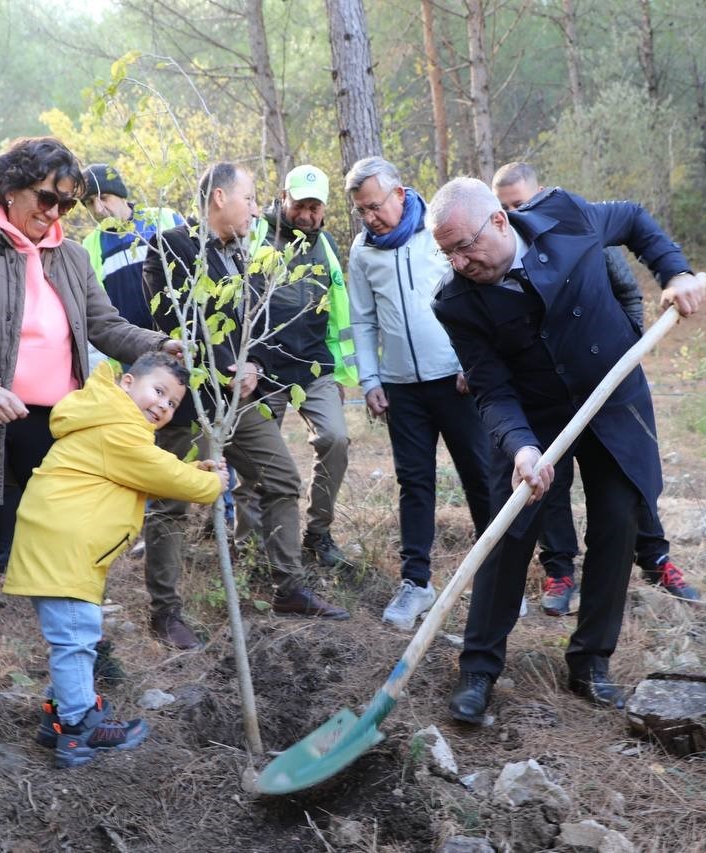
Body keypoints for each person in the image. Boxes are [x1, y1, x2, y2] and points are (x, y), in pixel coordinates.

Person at [427, 177, 706, 723]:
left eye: (465, 246)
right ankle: (479, 669)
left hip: (611, 396)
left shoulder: (565, 216)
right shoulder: (456, 303)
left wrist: (674, 270)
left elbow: (631, 217)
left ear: (500, 222)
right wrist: (523, 449)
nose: (459, 262)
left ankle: (590, 663)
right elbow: (490, 388)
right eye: (447, 253)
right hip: (532, 418)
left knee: (619, 521)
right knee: (508, 533)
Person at [0, 136, 174, 697]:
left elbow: (106, 327)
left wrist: (160, 344)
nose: (55, 213)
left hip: (57, 425)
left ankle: (86, 645)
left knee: (70, 537)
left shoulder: (71, 258)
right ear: (9, 189)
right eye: (46, 198)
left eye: (67, 204)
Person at [140, 161, 349, 651]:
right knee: (170, 504)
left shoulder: (248, 253)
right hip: (188, 399)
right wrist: (227, 365)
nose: (257, 210)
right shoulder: (173, 246)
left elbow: (253, 320)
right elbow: (177, 326)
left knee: (280, 477)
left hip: (236, 400)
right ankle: (165, 613)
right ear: (219, 199)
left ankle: (289, 587)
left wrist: (252, 362)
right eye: (250, 199)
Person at [491, 162, 701, 611]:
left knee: (628, 476)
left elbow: (625, 291)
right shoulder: (505, 262)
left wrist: (625, 348)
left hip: (608, 381)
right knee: (551, 479)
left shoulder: (578, 231)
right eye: (507, 208)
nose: (517, 214)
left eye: (523, 202)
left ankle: (654, 555)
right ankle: (560, 572)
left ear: (542, 193)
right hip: (550, 393)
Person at [3, 353, 227, 768]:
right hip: (66, 551)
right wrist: (210, 483)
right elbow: (161, 474)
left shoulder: (110, 420)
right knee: (75, 639)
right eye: (158, 391)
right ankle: (78, 729)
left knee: (72, 639)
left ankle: (59, 715)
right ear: (127, 383)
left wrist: (194, 467)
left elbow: (148, 470)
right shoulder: (118, 427)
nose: (163, 405)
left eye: (173, 403)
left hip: (61, 546)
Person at [344, 156, 493, 631]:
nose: (370, 217)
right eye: (361, 210)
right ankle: (416, 583)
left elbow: (475, 295)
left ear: (400, 194)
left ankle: (497, 574)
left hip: (455, 379)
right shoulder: (363, 251)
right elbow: (362, 320)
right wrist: (371, 380)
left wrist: (475, 363)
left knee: (480, 475)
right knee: (415, 483)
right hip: (400, 388)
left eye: (375, 206)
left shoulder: (438, 234)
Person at [237, 164, 358, 570]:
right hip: (263, 367)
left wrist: (339, 373)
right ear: (283, 198)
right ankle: (250, 545)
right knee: (255, 459)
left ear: (324, 209)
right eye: (299, 204)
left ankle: (318, 532)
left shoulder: (325, 247)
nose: (306, 215)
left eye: (314, 207)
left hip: (313, 368)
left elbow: (339, 313)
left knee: (336, 440)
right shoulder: (254, 235)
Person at [80, 163, 184, 330]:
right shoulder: (89, 246)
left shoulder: (164, 218)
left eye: (104, 197)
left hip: (181, 339)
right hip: (129, 349)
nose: (98, 208)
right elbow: (95, 308)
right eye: (89, 202)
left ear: (121, 194)